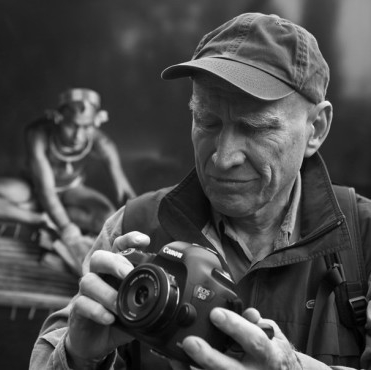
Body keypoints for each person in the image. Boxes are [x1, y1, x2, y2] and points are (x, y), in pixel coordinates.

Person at [29, 12, 371, 370]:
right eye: (206, 121)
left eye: (254, 128)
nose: (222, 158)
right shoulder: (135, 228)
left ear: (316, 128)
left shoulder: (364, 241)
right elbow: (54, 352)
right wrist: (79, 357)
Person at [0, 88, 136, 265]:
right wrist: (68, 230)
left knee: (107, 216)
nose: (78, 135)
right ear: (58, 119)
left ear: (96, 122)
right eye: (72, 126)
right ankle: (38, 219)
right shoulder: (37, 134)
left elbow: (124, 190)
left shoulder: (101, 142)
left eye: (86, 127)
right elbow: (45, 190)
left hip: (71, 192)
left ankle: (53, 221)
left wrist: (137, 220)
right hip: (31, 192)